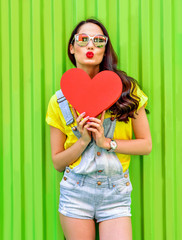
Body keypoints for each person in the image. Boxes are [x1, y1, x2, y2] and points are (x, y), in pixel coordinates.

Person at [46, 18, 152, 240]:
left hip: (115, 192)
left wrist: (107, 143)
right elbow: (57, 162)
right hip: (76, 191)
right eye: (83, 40)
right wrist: (83, 140)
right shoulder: (59, 102)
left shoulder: (127, 92)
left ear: (106, 49)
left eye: (98, 40)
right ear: (72, 48)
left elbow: (146, 145)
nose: (90, 46)